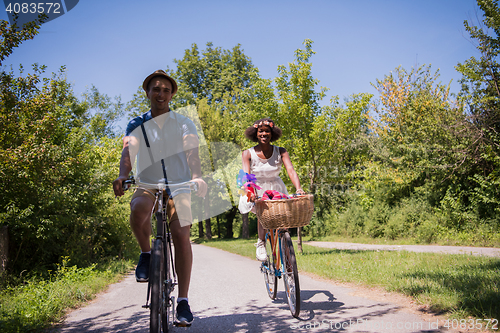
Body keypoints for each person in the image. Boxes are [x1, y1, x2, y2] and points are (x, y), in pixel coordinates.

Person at [112, 70, 207, 326]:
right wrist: (123, 175)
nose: (161, 94)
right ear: (147, 93)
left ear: (172, 94)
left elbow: (192, 151)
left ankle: (183, 301)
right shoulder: (136, 123)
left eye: (166, 90)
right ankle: (146, 253)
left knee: (181, 233)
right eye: (156, 89)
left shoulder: (184, 122)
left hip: (179, 184)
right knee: (139, 208)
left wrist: (196, 176)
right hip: (147, 182)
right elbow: (128, 151)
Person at [239, 118, 305, 261]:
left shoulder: (281, 151)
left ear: (272, 133)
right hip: (256, 187)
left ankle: (287, 254)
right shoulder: (247, 153)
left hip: (276, 187)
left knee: (283, 221)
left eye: (267, 131)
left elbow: (291, 170)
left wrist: (299, 188)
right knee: (264, 215)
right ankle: (261, 242)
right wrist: (252, 193)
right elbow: (247, 175)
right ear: (255, 134)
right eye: (260, 131)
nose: (264, 134)